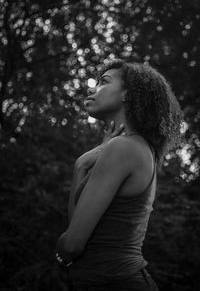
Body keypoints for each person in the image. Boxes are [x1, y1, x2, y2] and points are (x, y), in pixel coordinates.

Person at [56, 59, 183, 290]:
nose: (92, 88)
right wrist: (81, 165)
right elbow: (77, 230)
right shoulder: (132, 148)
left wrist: (61, 250)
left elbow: (71, 245)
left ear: (128, 94)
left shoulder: (123, 148)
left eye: (104, 82)